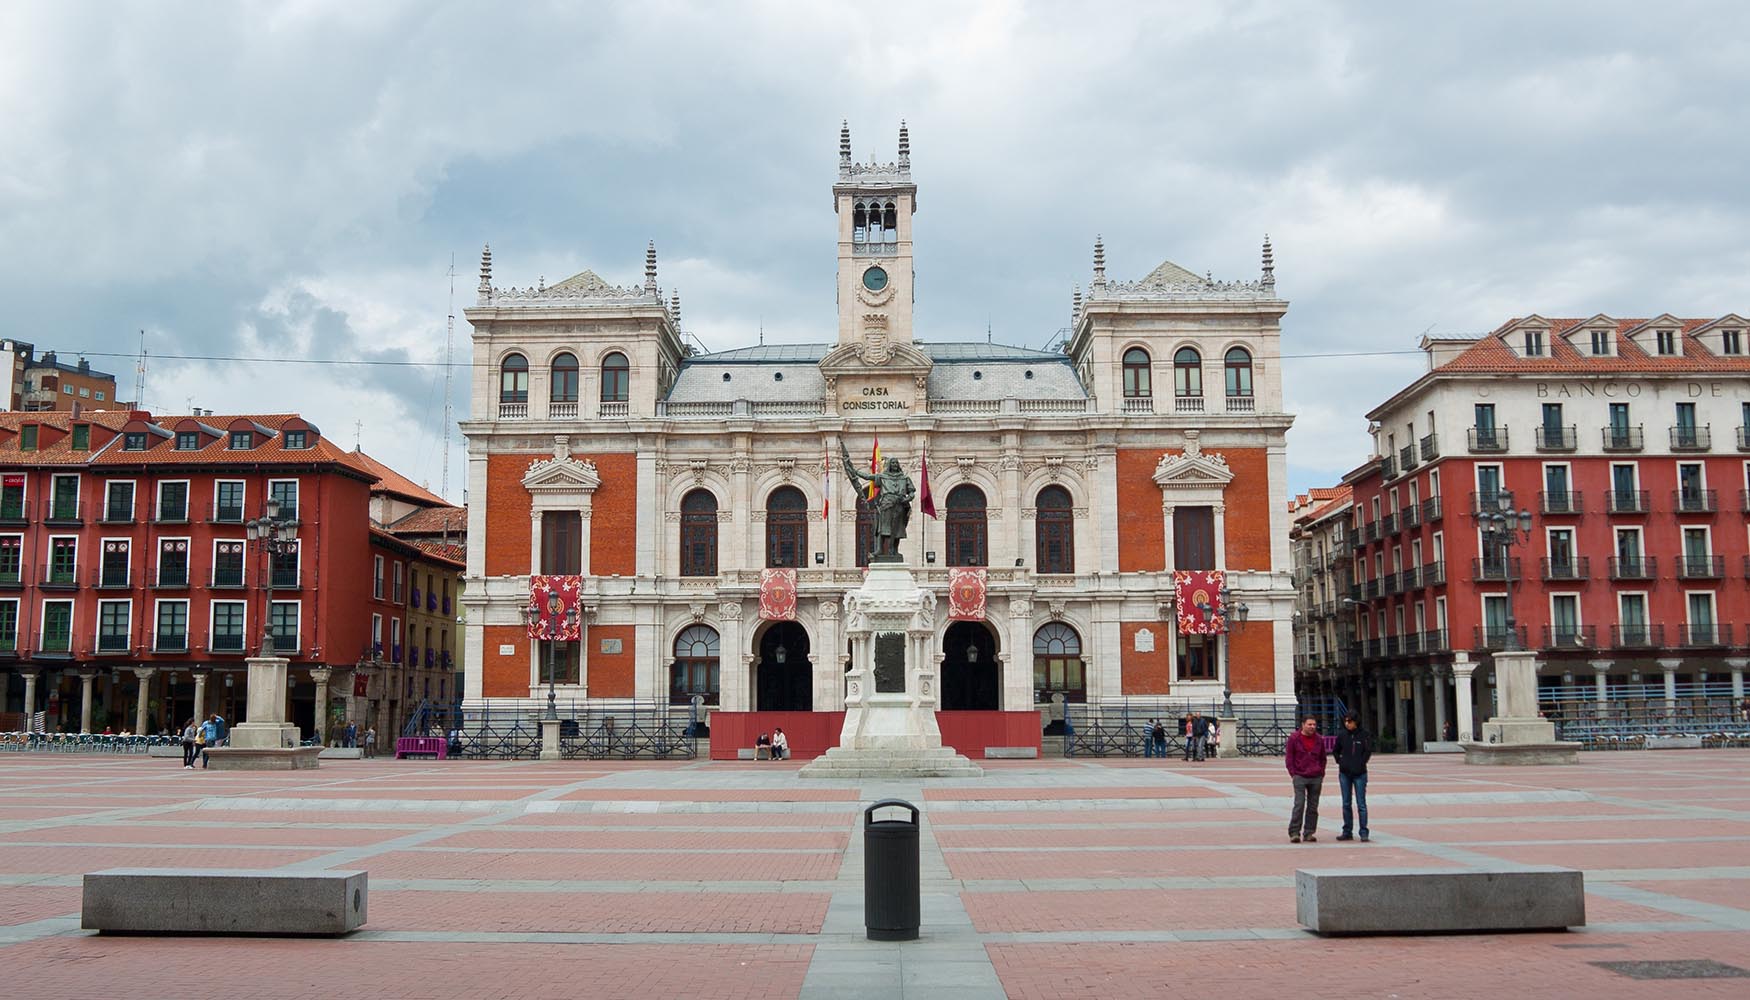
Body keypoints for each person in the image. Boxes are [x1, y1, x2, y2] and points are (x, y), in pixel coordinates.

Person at [1285, 715, 1326, 843]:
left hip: (1315, 776)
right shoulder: (1294, 738)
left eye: (1314, 724)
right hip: (1300, 776)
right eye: (1309, 724)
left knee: (1313, 807)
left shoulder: (1319, 739)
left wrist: (1321, 772)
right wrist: (1294, 774)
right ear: (1303, 725)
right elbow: (1289, 758)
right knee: (1299, 804)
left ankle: (1309, 832)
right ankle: (1294, 832)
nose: (1312, 727)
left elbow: (1323, 758)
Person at [1333, 713, 1372, 842]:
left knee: (1361, 804)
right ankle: (1347, 830)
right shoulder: (1342, 735)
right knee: (1346, 803)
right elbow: (1336, 750)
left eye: (1350, 721)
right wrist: (1340, 761)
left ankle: (1363, 831)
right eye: (1346, 721)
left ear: (1356, 722)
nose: (1347, 724)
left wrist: (1361, 762)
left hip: (1360, 773)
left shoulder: (1364, 735)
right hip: (1345, 773)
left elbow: (1368, 751)